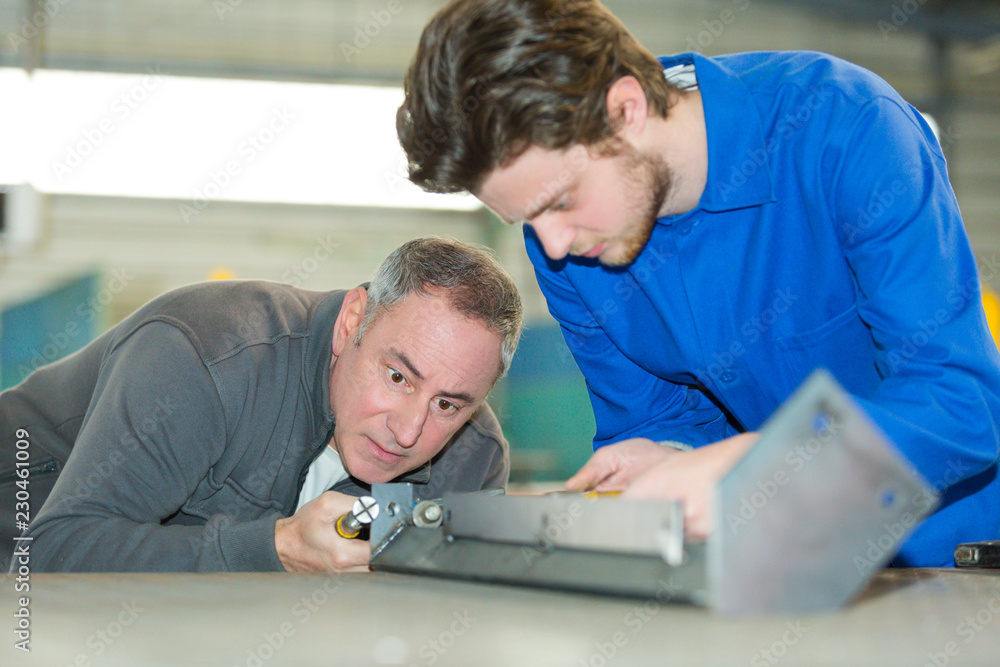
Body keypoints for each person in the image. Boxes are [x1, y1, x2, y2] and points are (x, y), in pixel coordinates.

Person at [396, 0, 1000, 566]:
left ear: (625, 108)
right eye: (527, 217)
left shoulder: (845, 129)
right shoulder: (570, 248)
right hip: (771, 570)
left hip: (954, 564)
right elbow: (652, 421)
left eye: (561, 199)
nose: (550, 246)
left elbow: (962, 403)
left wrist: (769, 463)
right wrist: (671, 457)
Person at [0, 236, 523, 572]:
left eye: (449, 406)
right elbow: (53, 553)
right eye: (397, 376)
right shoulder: (204, 356)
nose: (409, 431)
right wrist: (276, 548)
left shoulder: (472, 458)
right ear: (350, 323)